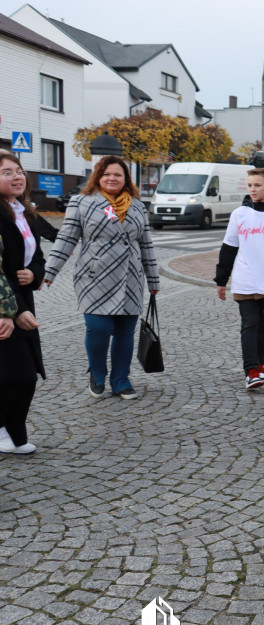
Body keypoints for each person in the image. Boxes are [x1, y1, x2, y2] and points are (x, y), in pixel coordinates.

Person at [43, 155, 159, 400]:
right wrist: (50, 270)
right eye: (106, 174)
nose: (112, 178)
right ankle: (97, 374)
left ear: (125, 178)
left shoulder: (137, 205)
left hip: (130, 277)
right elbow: (66, 239)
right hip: (94, 277)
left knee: (125, 333)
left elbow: (146, 245)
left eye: (117, 174)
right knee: (98, 329)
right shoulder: (81, 202)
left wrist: (153, 280)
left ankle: (121, 379)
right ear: (98, 177)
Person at [214, 168, 264, 389]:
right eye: (249, 185)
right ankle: (251, 370)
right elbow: (229, 248)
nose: (253, 189)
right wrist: (221, 279)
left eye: (257, 185)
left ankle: (259, 365)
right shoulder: (240, 214)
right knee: (250, 324)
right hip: (245, 279)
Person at [0, 151, 47, 454]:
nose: (17, 176)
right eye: (7, 172)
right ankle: (5, 430)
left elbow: (39, 256)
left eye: (19, 171)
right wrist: (9, 312)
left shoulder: (23, 212)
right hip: (4, 305)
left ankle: (14, 433)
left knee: (25, 374)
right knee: (16, 374)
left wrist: (34, 273)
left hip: (21, 300)